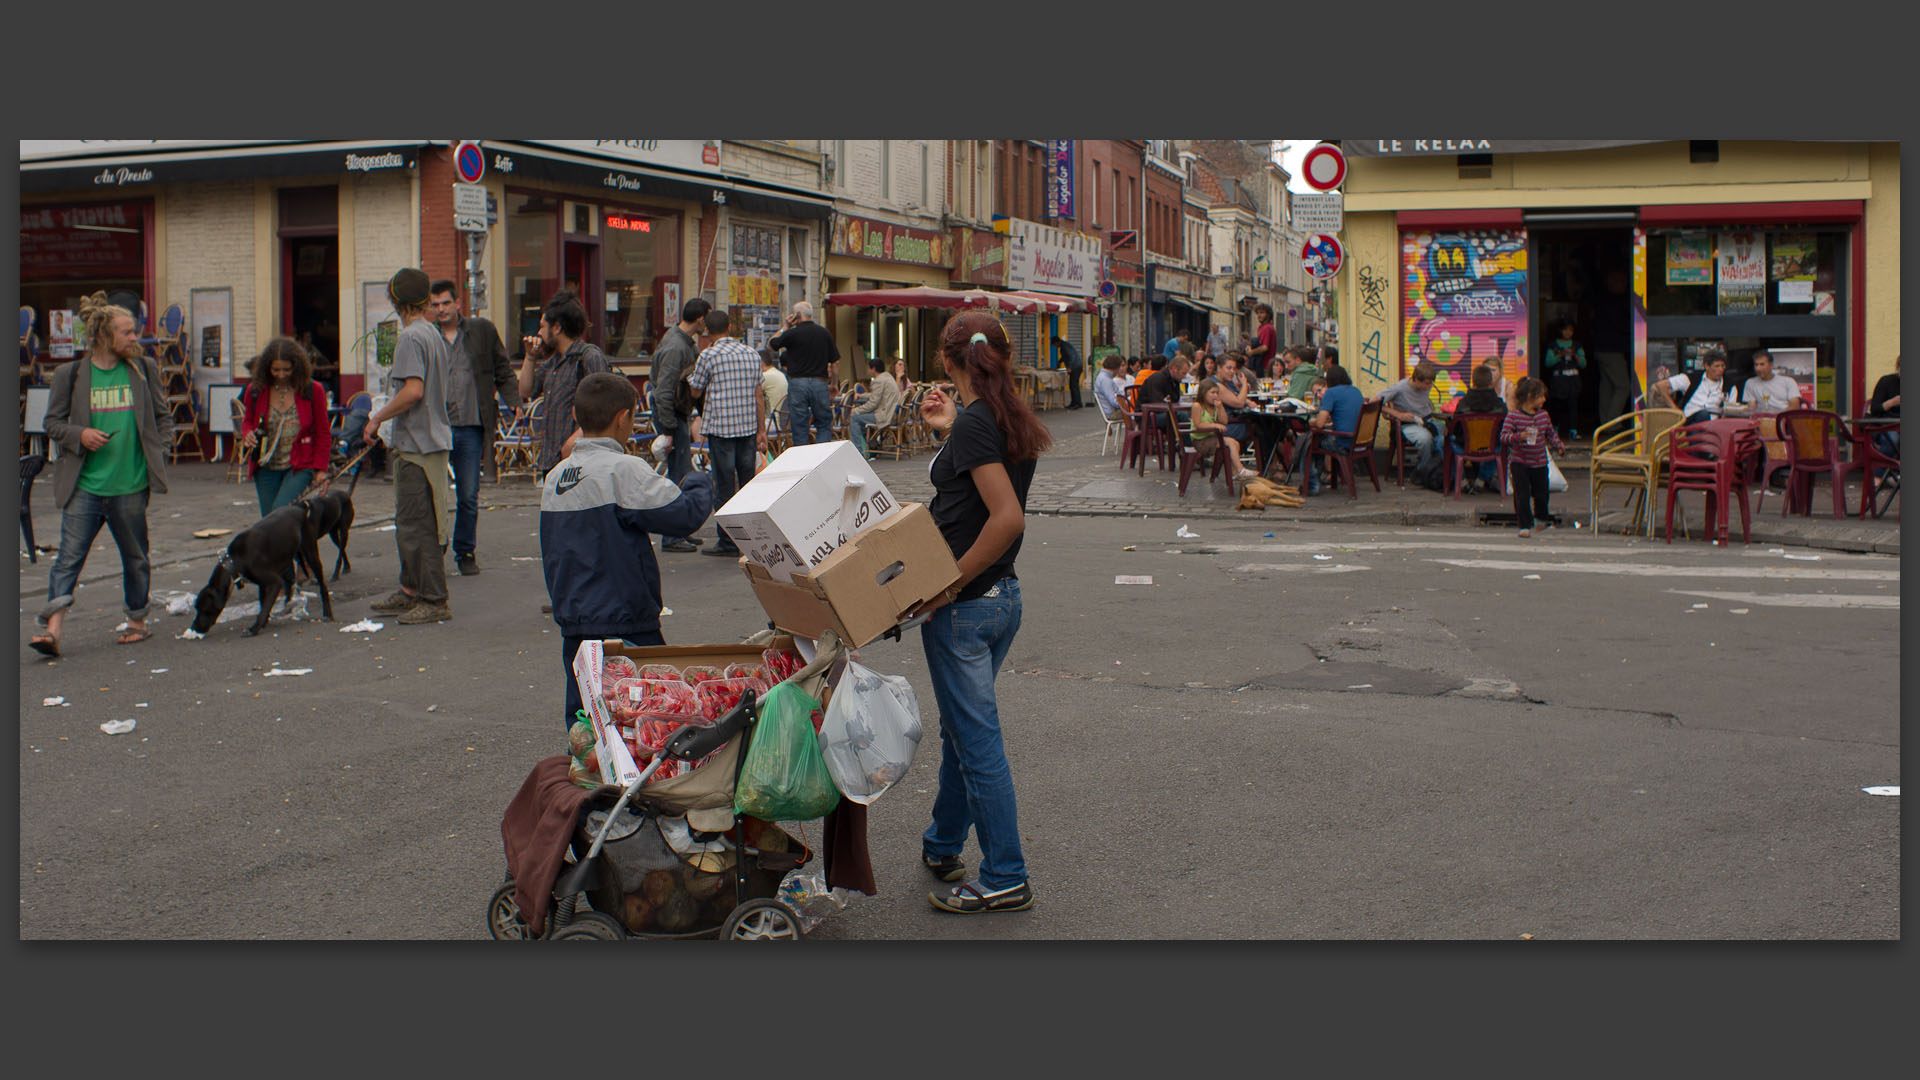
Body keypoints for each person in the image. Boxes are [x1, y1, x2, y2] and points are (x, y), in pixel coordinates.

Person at [904, 312, 1051, 915]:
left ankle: (1005, 875)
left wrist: (945, 587)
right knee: (962, 734)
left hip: (967, 608)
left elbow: (1006, 516)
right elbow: (973, 491)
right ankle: (942, 843)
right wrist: (949, 428)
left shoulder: (978, 424)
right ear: (1003, 357)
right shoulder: (1002, 415)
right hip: (1002, 600)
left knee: (976, 742)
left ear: (946, 360)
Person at [541, 373, 715, 731]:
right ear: (623, 418)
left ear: (576, 414)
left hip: (574, 620)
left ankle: (589, 780)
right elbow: (682, 516)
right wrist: (700, 480)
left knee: (585, 721)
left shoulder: (555, 477)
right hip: (625, 620)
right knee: (654, 713)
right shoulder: (622, 469)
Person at [31, 292, 173, 657]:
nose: (134, 339)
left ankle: (137, 621)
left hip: (130, 484)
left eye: (133, 332)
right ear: (103, 336)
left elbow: (162, 417)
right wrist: (80, 435)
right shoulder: (71, 374)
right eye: (126, 333)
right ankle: (53, 631)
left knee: (135, 556)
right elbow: (52, 423)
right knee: (69, 558)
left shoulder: (144, 370)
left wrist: (161, 450)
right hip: (85, 486)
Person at [362, 268, 456, 625]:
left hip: (417, 443)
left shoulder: (410, 338)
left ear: (396, 302)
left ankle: (433, 598)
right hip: (430, 439)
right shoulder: (433, 334)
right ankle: (410, 590)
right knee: (413, 522)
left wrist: (377, 418)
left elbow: (413, 391)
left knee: (419, 526)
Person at [429, 279, 518, 575]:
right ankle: (436, 549)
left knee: (467, 493)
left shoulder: (480, 330)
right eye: (435, 305)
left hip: (470, 426)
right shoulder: (427, 337)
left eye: (445, 303)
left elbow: (502, 368)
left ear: (458, 303)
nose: (441, 309)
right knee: (435, 495)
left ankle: (465, 551)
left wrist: (513, 398)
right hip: (436, 428)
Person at [687, 308, 767, 557]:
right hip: (747, 427)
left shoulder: (708, 356)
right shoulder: (751, 354)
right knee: (746, 484)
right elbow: (758, 395)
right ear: (730, 328)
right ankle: (751, 538)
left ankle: (727, 540)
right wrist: (761, 430)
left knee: (724, 485)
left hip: (721, 428)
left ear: (708, 332)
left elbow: (695, 391)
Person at [517, 289, 610, 475]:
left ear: (557, 328)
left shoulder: (589, 357)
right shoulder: (552, 362)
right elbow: (525, 391)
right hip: (551, 459)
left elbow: (603, 408)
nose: (539, 332)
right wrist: (530, 357)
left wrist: (572, 443)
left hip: (578, 461)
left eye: (543, 326)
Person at [239, 337, 331, 516]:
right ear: (267, 368)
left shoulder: (313, 390)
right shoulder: (255, 390)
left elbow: (322, 432)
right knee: (269, 521)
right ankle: (298, 543)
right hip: (265, 465)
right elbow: (248, 420)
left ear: (297, 367)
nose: (281, 375)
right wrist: (247, 433)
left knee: (280, 514)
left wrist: (321, 469)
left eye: (286, 370)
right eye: (276, 370)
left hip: (299, 465)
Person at [650, 297, 712, 554]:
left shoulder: (683, 342)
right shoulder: (676, 347)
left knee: (683, 472)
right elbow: (664, 390)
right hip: (671, 415)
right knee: (677, 476)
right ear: (700, 319)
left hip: (677, 413)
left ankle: (680, 531)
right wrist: (667, 430)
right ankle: (672, 536)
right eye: (706, 318)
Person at [1500, 376, 1565, 538]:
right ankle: (1525, 525)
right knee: (1522, 495)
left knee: (1542, 493)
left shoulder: (1543, 416)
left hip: (1540, 462)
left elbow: (1550, 434)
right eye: (1540, 396)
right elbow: (1504, 437)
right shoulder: (1513, 417)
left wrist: (1559, 446)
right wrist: (1518, 437)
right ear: (1530, 397)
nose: (1543, 400)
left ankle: (1541, 520)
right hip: (1519, 462)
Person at [768, 300, 839, 446]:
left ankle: (803, 459)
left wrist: (785, 326)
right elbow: (835, 362)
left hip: (798, 383)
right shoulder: (824, 333)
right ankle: (821, 456)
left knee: (799, 425)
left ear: (797, 316)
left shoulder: (792, 334)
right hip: (820, 382)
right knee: (824, 423)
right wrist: (834, 383)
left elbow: (771, 344)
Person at [1299, 363, 1363, 495]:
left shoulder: (1331, 393)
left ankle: (1311, 484)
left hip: (1343, 442)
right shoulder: (1356, 391)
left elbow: (1320, 424)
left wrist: (1312, 422)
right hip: (1359, 441)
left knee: (1309, 442)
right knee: (1317, 439)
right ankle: (1319, 478)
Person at [1381, 360, 1446, 486]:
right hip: (1408, 424)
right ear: (1416, 379)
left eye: (1431, 383)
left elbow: (1423, 402)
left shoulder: (1427, 386)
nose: (1429, 387)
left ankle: (1436, 471)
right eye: (1426, 384)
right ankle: (1422, 472)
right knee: (1425, 439)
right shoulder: (1400, 387)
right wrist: (1398, 414)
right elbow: (1375, 401)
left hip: (1426, 420)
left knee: (1447, 436)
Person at [1451, 363, 1508, 494]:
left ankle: (1462, 481)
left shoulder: (1463, 403)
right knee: (1501, 444)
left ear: (1473, 381)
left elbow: (1456, 430)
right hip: (1491, 448)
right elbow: (1504, 427)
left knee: (1444, 443)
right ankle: (1481, 479)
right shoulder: (1499, 404)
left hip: (1465, 447)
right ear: (1491, 382)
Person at [1190, 378, 1257, 481]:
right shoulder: (1197, 406)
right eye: (1212, 393)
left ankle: (1235, 472)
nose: (1216, 396)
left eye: (1217, 393)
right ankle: (1240, 470)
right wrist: (1214, 426)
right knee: (1230, 442)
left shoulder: (1214, 407)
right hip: (1200, 441)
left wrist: (1220, 408)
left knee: (1235, 444)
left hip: (1211, 438)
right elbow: (1198, 424)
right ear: (1204, 393)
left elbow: (1224, 421)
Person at [1655, 355, 1744, 425]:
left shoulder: (1730, 386)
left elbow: (1732, 410)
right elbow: (1660, 386)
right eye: (1717, 366)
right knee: (1703, 414)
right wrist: (1675, 409)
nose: (1720, 370)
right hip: (1689, 421)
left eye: (1723, 366)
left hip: (1714, 425)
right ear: (1707, 366)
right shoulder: (1692, 378)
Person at [848, 352, 902, 460]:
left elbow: (873, 404)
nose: (868, 371)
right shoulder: (887, 377)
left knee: (854, 418)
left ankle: (858, 452)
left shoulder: (879, 381)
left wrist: (856, 410)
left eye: (869, 368)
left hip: (884, 416)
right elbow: (876, 396)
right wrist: (862, 395)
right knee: (862, 419)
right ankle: (872, 447)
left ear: (873, 369)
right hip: (892, 414)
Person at [1544, 319, 1588, 438]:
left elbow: (1583, 364)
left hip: (1573, 378)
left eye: (1570, 330)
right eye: (1565, 329)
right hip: (1558, 379)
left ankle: (1573, 431)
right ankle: (1555, 430)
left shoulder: (1577, 345)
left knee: (1573, 404)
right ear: (1560, 330)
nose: (1568, 332)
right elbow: (1548, 362)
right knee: (1557, 405)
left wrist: (1575, 356)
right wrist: (1560, 355)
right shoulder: (1553, 345)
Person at [1742, 350, 1802, 416]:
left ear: (1771, 365)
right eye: (1756, 365)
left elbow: (1795, 406)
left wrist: (1777, 416)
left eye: (1762, 364)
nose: (1758, 368)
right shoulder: (1750, 383)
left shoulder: (1788, 381)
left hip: (1783, 418)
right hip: (1761, 419)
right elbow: (1752, 407)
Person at [1867, 355, 1900, 458]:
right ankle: (1880, 472)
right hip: (1886, 425)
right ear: (1898, 368)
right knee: (1892, 440)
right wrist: (1892, 403)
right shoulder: (1886, 381)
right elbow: (1874, 409)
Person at [1050, 334, 1085, 409]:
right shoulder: (1064, 346)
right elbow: (1065, 356)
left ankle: (1077, 403)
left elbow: (1072, 356)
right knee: (1073, 385)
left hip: (1076, 366)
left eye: (1054, 345)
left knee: (1074, 385)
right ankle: (1074, 402)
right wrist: (1059, 361)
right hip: (1077, 365)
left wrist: (1069, 367)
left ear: (1057, 342)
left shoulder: (1065, 346)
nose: (1055, 346)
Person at [761, 346, 789, 436]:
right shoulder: (779, 373)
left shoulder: (765, 376)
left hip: (772, 422)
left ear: (760, 363)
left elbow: (749, 393)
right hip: (784, 422)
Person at [1249, 303, 1279, 378]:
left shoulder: (1267, 328)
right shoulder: (1263, 327)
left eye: (1262, 313)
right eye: (1258, 313)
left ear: (1268, 314)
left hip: (1265, 365)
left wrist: (1251, 352)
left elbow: (1264, 347)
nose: (1259, 315)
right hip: (1264, 365)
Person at [1093, 353, 1125, 418]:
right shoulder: (1106, 380)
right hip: (1111, 413)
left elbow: (1117, 393)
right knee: (1135, 413)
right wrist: (1126, 402)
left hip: (1109, 411)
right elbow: (1114, 402)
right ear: (1116, 367)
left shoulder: (1103, 377)